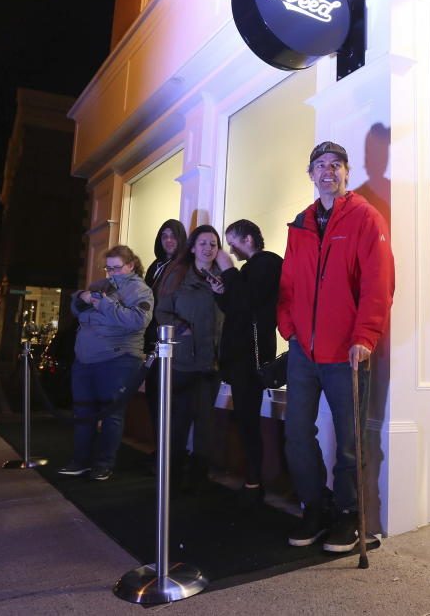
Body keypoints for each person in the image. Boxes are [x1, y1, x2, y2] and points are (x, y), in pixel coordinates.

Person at [278, 140, 395, 552]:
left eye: (336, 165)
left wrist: (366, 335)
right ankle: (317, 505)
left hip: (347, 352)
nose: (328, 171)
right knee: (296, 435)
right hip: (303, 352)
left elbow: (378, 283)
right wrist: (288, 327)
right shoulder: (300, 224)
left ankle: (349, 514)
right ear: (310, 174)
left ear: (346, 172)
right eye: (320, 165)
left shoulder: (365, 217)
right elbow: (289, 282)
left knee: (349, 440)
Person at [58, 245, 153, 481]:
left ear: (130, 265)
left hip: (118, 359)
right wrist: (82, 296)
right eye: (108, 267)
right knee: (83, 412)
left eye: (116, 267)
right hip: (85, 358)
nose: (111, 272)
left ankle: (103, 464)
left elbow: (137, 321)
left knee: (111, 414)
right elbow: (78, 310)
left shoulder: (141, 290)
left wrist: (103, 305)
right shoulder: (100, 285)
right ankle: (80, 461)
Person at [210, 219, 283, 508]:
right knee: (245, 419)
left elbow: (247, 302)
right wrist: (221, 294)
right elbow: (237, 308)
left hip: (249, 359)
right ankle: (252, 480)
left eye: (233, 242)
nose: (230, 249)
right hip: (241, 357)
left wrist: (227, 269)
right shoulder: (251, 269)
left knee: (248, 420)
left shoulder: (267, 263)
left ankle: (254, 483)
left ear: (249, 239)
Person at [155, 224, 224, 490]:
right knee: (179, 420)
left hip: (211, 362)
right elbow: (162, 311)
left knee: (205, 422)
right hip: (183, 361)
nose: (208, 248)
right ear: (193, 247)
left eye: (213, 244)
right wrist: (181, 328)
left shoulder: (223, 278)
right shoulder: (178, 275)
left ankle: (198, 478)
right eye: (204, 243)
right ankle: (171, 476)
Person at [143, 219, 188, 447]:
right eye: (164, 236)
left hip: (171, 345)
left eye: (173, 236)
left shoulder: (184, 267)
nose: (169, 241)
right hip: (153, 343)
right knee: (154, 400)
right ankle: (159, 452)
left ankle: (169, 456)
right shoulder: (156, 265)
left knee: (168, 403)